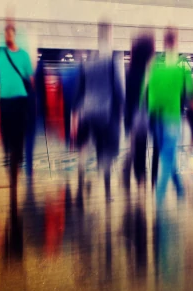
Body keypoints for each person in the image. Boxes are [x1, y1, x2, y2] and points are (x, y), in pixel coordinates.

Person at [73, 21, 124, 199]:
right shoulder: (112, 61)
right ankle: (108, 191)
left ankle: (80, 178)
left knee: (86, 146)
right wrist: (121, 114)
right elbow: (119, 90)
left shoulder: (88, 62)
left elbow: (80, 91)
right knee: (106, 150)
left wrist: (78, 112)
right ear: (110, 36)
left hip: (87, 113)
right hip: (105, 114)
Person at [148, 27, 192, 201]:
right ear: (176, 41)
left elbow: (149, 90)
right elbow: (190, 91)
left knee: (167, 152)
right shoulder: (183, 64)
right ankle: (159, 197)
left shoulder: (156, 63)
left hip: (156, 114)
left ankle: (179, 188)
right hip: (172, 114)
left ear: (164, 42)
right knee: (167, 153)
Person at [0, 20, 34, 202]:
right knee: (5, 134)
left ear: (14, 35)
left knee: (17, 135)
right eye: (5, 35)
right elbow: (0, 73)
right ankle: (10, 158)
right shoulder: (1, 54)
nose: (7, 38)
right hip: (4, 100)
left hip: (19, 100)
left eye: (9, 34)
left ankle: (17, 162)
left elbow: (30, 78)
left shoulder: (24, 56)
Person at [122, 31, 156, 195]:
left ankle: (136, 176)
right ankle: (141, 180)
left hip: (134, 114)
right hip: (145, 114)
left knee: (137, 146)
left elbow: (127, 97)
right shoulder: (150, 72)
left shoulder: (130, 71)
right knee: (142, 148)